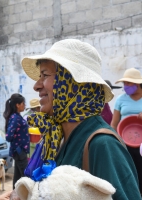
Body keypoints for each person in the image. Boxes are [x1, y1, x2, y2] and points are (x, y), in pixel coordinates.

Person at [20, 39, 140, 199]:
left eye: (45, 75)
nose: (37, 86)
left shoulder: (103, 146)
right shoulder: (58, 139)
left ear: (73, 84)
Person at [111, 67, 142, 194]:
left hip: (141, 144)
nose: (126, 86)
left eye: (129, 83)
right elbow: (114, 123)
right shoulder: (120, 99)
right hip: (125, 141)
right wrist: (114, 139)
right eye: (125, 83)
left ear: (137, 84)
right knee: (128, 169)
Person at [3, 93, 29, 189]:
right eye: (23, 103)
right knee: (26, 177)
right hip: (19, 151)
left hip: (20, 151)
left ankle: (14, 195)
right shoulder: (15, 118)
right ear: (17, 105)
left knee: (18, 178)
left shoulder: (17, 117)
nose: (25, 105)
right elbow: (8, 136)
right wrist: (18, 145)